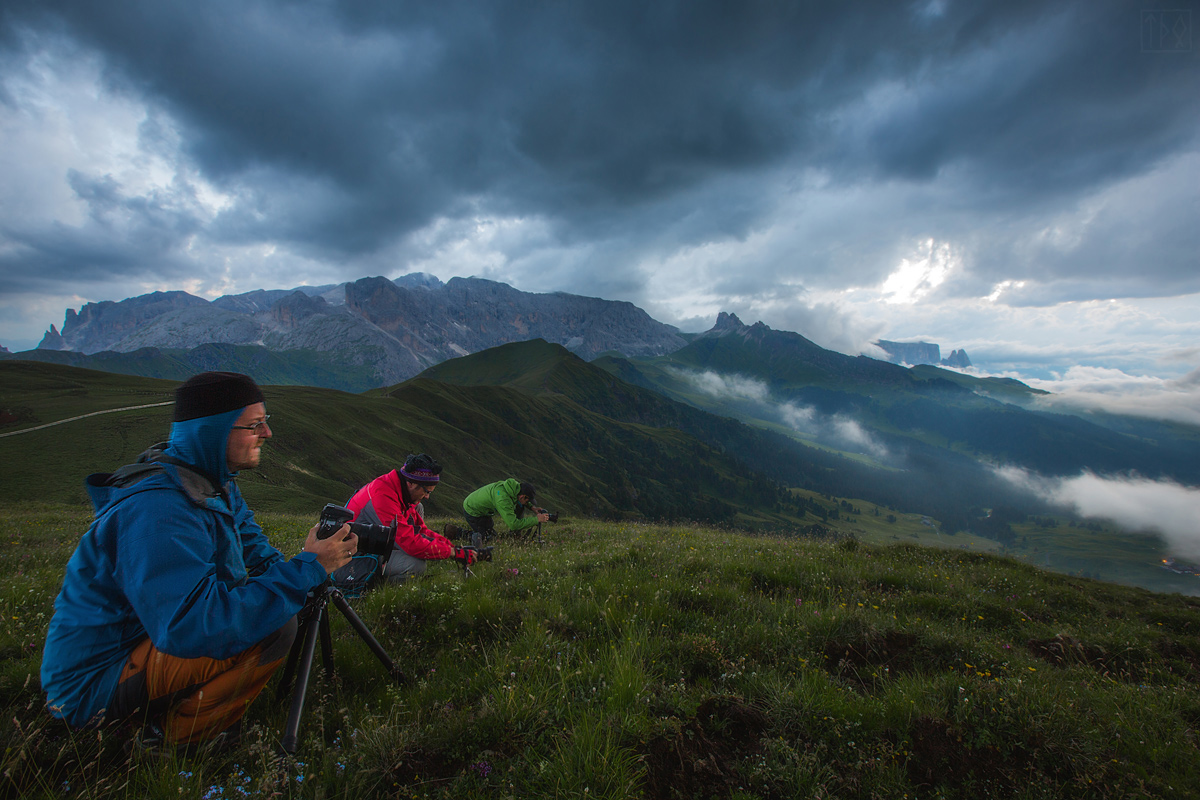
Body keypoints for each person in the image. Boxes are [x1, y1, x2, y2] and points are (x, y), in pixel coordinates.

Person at [40, 372, 357, 748]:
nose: (267, 434)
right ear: (213, 430)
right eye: (255, 424)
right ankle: (168, 742)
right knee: (275, 624)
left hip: (141, 643)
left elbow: (257, 554)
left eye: (266, 421)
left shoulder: (208, 483)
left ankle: (174, 713)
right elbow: (193, 626)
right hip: (91, 684)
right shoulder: (159, 509)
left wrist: (307, 577)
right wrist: (308, 568)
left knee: (282, 603)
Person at [344, 453, 476, 583]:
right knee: (415, 565)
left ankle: (390, 567)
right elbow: (409, 542)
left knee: (419, 508)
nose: (427, 496)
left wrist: (452, 548)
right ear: (412, 483)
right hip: (354, 557)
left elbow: (421, 531)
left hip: (373, 542)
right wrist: (451, 553)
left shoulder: (400, 490)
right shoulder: (383, 496)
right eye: (427, 491)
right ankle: (379, 586)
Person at [462, 478, 549, 540]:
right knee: (485, 539)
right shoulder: (503, 500)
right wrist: (536, 519)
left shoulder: (514, 488)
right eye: (528, 500)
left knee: (492, 535)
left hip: (484, 510)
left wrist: (532, 507)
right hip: (472, 511)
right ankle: (456, 532)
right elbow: (513, 524)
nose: (528, 502)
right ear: (522, 496)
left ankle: (515, 535)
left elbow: (521, 501)